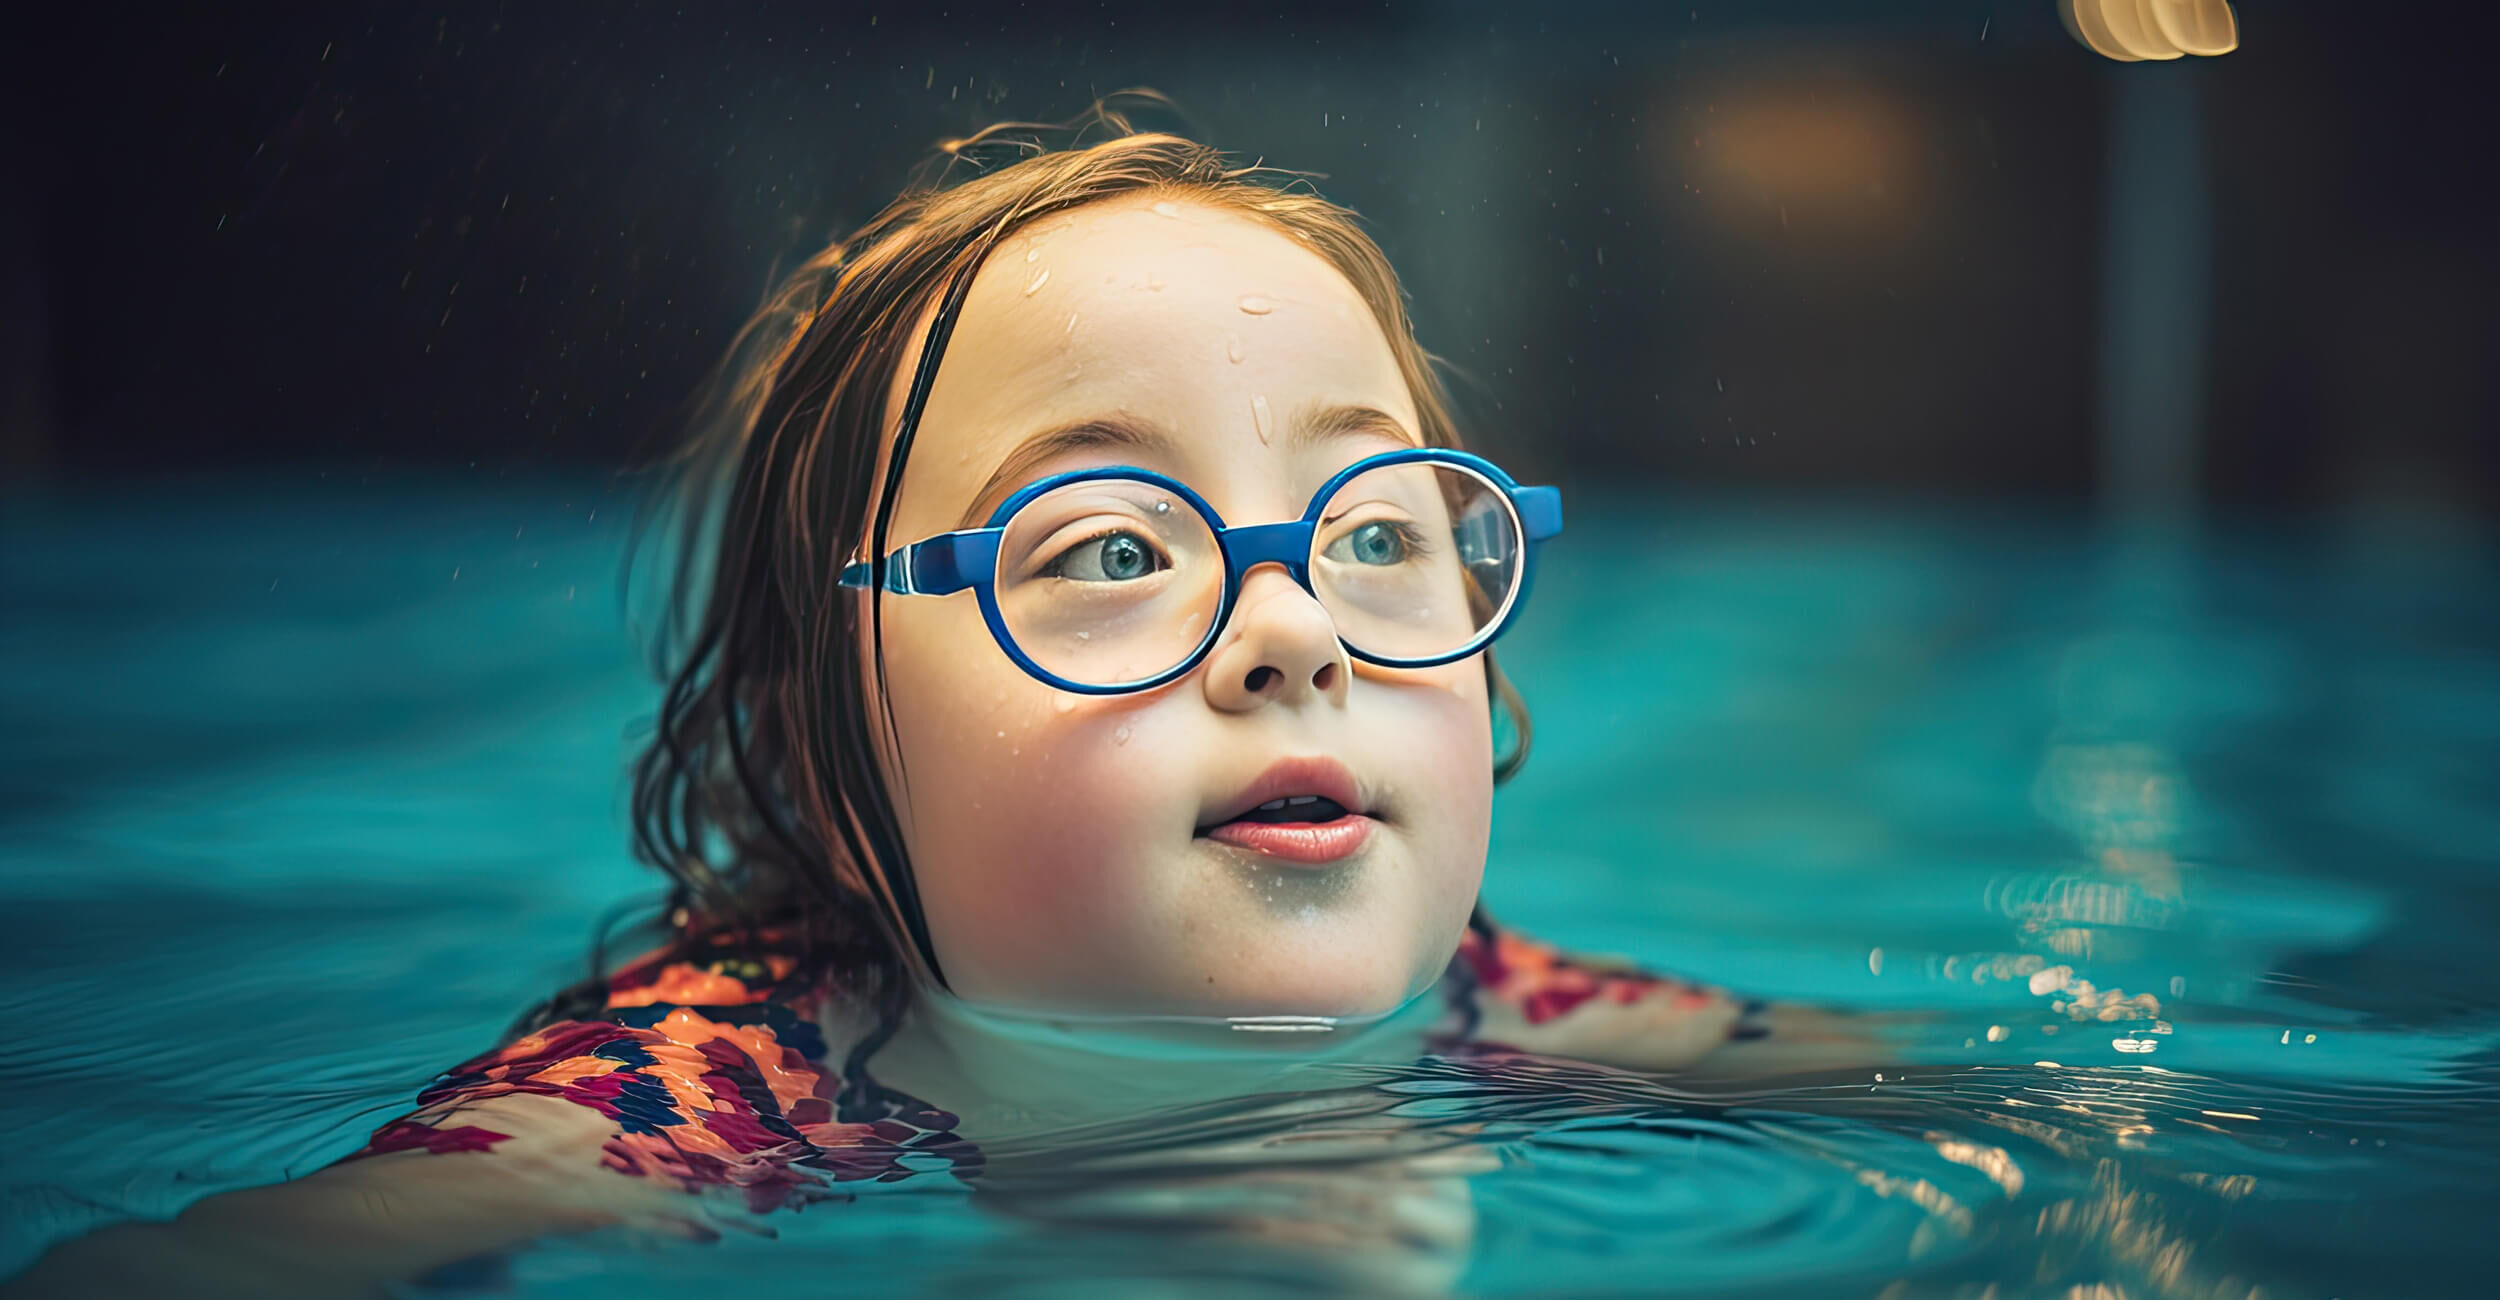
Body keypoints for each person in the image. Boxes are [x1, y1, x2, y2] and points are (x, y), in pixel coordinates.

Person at [9, 99, 1862, 1300]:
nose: (1298, 629)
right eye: (1115, 549)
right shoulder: (735, 1071)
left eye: (1378, 530)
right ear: (827, 764)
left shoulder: (1508, 998)